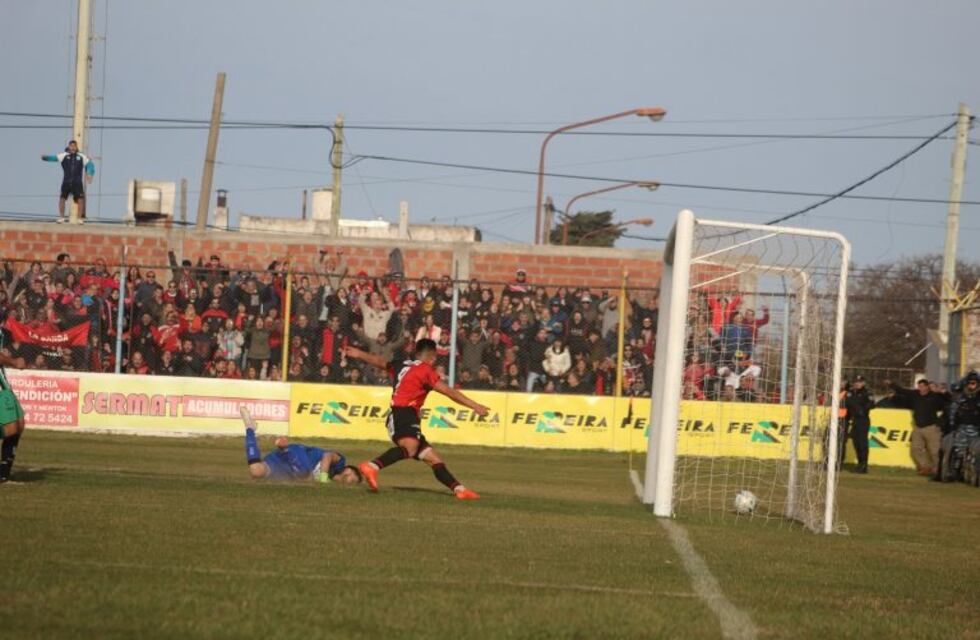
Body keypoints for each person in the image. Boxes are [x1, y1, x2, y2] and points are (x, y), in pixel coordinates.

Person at [344, 339, 489, 500]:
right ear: (432, 357)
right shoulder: (426, 371)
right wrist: (475, 406)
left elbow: (379, 361)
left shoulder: (403, 364)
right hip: (404, 413)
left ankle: (459, 490)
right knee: (410, 448)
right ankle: (371, 466)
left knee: (433, 459)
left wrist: (359, 354)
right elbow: (449, 392)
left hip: (400, 414)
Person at [240, 408, 361, 484]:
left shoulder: (334, 479)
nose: (349, 482)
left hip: (289, 468)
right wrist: (323, 477)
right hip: (299, 453)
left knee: (256, 471)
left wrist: (332, 480)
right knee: (305, 473)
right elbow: (328, 456)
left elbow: (336, 479)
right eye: (352, 478)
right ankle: (285, 448)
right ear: (349, 469)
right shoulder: (340, 462)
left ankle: (250, 428)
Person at [887, 378, 949, 476]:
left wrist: (943, 392)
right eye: (919, 386)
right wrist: (892, 385)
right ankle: (925, 467)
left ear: (927, 387)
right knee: (915, 449)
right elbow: (903, 391)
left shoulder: (935, 396)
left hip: (931, 427)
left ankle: (937, 469)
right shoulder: (915, 395)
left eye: (923, 386)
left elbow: (947, 400)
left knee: (935, 451)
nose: (920, 388)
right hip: (918, 427)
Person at [41, 140, 95, 222]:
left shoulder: (81, 156)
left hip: (77, 182)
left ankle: (79, 218)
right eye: (71, 146)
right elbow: (54, 158)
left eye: (74, 146)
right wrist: (45, 158)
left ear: (76, 147)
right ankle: (61, 217)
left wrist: (89, 173)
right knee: (62, 198)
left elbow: (90, 164)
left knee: (80, 199)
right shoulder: (64, 155)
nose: (73, 147)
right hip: (66, 181)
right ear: (69, 147)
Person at [0, 352, 27, 483]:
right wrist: (13, 362)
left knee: (19, 424)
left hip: (3, 383)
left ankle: (4, 473)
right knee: (11, 428)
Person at [844, 375, 874, 474]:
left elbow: (872, 404)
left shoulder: (867, 393)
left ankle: (864, 465)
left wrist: (862, 410)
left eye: (860, 382)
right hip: (854, 420)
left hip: (863, 420)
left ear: (863, 383)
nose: (857, 383)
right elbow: (847, 404)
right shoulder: (850, 393)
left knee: (862, 443)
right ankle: (860, 463)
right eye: (856, 382)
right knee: (856, 443)